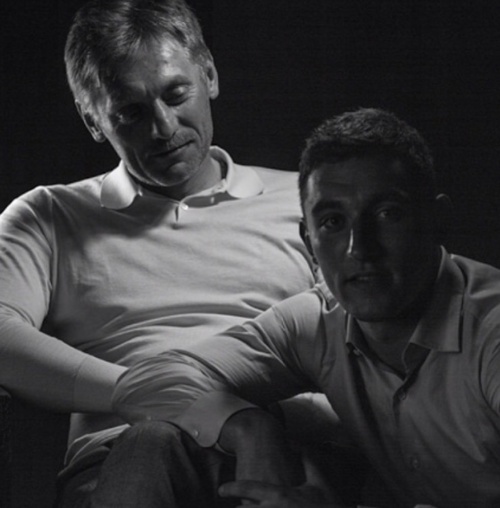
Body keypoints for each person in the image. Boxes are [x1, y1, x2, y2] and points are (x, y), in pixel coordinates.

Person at [0, 0, 330, 505]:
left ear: (210, 75)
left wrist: (258, 419)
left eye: (177, 94)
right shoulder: (47, 215)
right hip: (125, 455)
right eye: (130, 112)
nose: (163, 127)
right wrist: (163, 397)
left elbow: (363, 345)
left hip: (292, 444)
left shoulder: (310, 201)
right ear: (93, 120)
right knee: (151, 439)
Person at [111, 107, 500, 508]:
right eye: (333, 222)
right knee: (151, 441)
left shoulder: (491, 333)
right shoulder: (318, 322)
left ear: (437, 221)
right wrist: (250, 429)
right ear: (308, 240)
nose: (359, 248)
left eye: (388, 214)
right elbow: (147, 381)